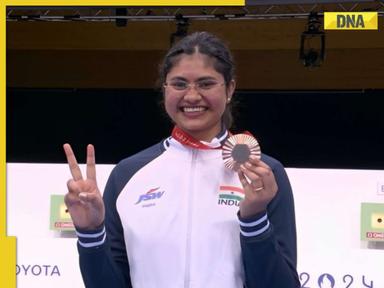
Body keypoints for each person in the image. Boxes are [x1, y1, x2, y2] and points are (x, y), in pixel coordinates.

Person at [63, 31, 300, 288]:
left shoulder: (263, 174)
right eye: (179, 84)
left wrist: (254, 218)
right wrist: (91, 234)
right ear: (164, 89)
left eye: (206, 83)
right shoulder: (128, 174)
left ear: (229, 88)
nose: (192, 96)